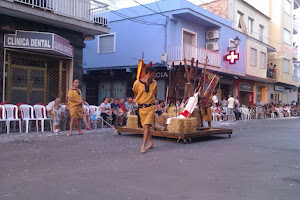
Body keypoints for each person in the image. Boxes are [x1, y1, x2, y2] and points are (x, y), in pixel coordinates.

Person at [133, 66, 157, 154]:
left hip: (151, 107)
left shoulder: (154, 83)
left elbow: (154, 94)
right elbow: (136, 93)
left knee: (146, 125)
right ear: (149, 73)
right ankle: (151, 143)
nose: (154, 77)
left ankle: (143, 146)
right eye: (153, 74)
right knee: (146, 127)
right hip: (142, 108)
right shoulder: (137, 83)